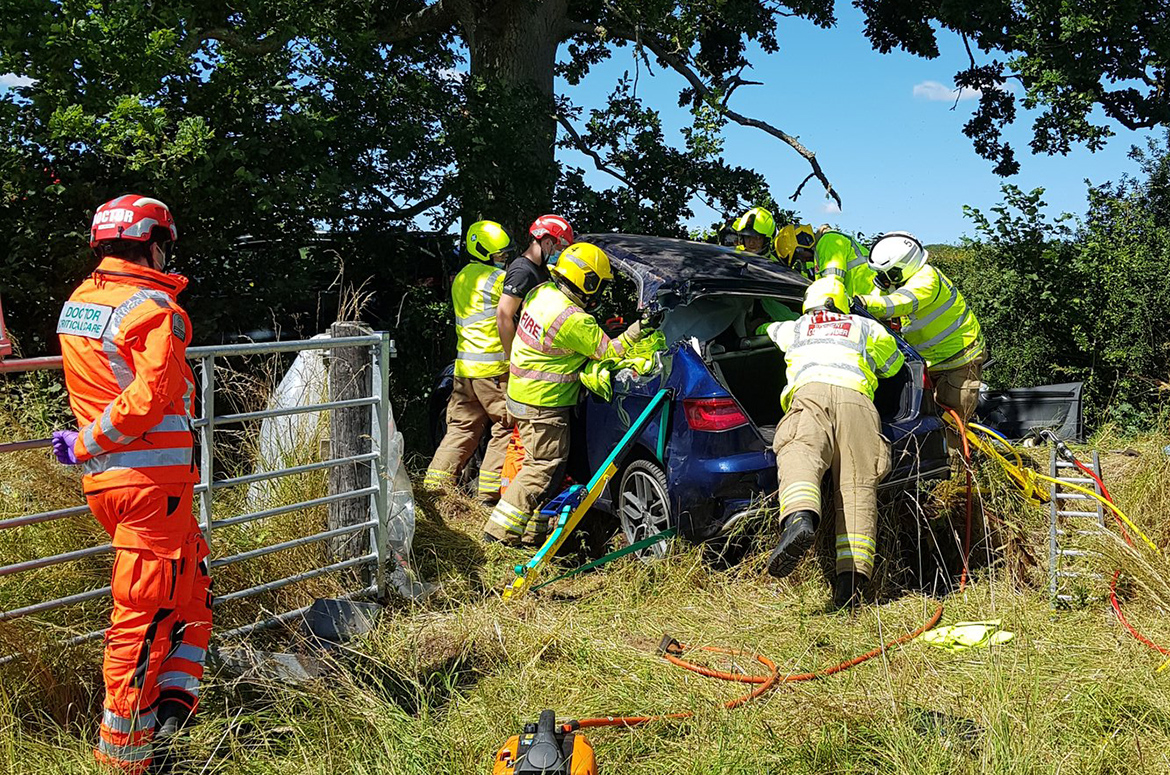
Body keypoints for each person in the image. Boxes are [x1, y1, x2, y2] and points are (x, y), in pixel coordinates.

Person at [51, 195, 208, 772]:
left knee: (192, 593)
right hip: (149, 486)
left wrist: (86, 445)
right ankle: (127, 757)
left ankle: (171, 721)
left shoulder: (81, 303)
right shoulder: (151, 309)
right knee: (143, 619)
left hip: (123, 487)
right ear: (153, 242)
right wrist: (89, 441)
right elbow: (149, 397)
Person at [484, 242, 647, 546]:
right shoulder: (574, 319)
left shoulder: (542, 292)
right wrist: (640, 328)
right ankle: (500, 532)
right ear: (588, 282)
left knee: (545, 467)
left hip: (521, 395)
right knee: (542, 468)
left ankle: (533, 533)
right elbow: (608, 351)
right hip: (545, 403)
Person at [764, 277, 904, 609]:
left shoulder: (795, 328)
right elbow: (893, 365)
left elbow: (766, 331)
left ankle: (799, 520)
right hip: (857, 399)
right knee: (857, 488)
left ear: (808, 304)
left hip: (810, 393)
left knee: (800, 451)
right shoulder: (864, 327)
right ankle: (850, 586)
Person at [858, 231, 985, 451]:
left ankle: (960, 475)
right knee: (933, 418)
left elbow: (900, 303)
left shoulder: (927, 279)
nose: (884, 280)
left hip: (959, 359)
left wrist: (863, 302)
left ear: (906, 266)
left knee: (954, 426)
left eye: (889, 274)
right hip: (927, 362)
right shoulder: (895, 282)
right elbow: (881, 299)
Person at [423, 220, 515, 503]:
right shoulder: (499, 281)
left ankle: (433, 489)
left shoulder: (461, 277)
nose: (503, 259)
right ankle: (487, 495)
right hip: (493, 370)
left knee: (461, 429)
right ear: (485, 253)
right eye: (499, 255)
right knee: (506, 426)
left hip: (464, 370)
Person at [496, 214, 574, 359]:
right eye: (560, 246)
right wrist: (513, 357)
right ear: (547, 242)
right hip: (525, 354)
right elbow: (503, 315)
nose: (561, 251)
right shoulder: (522, 271)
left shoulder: (542, 269)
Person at [812, 228, 876, 297]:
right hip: (874, 298)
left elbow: (832, 281)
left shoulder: (829, 239)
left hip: (860, 300)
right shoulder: (843, 239)